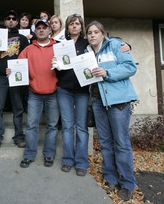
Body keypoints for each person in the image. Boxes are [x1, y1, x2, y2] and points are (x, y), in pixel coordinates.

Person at [52, 14, 132, 177]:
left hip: (82, 91)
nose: (74, 26)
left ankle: (81, 162)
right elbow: (54, 65)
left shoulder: (87, 43)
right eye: (71, 24)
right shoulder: (60, 45)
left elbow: (107, 42)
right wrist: (55, 64)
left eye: (77, 24)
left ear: (81, 27)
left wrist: (127, 45)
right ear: (66, 28)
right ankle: (68, 159)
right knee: (67, 126)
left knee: (81, 127)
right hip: (64, 90)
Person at [86, 20, 138, 201]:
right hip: (99, 103)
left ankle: (128, 184)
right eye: (89, 33)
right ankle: (110, 178)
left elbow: (131, 68)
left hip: (118, 103)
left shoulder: (116, 46)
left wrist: (108, 74)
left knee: (121, 143)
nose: (92, 35)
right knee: (105, 142)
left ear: (102, 34)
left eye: (95, 32)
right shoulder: (87, 53)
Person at [16, 19, 59, 168]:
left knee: (52, 126)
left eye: (44, 28)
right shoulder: (28, 49)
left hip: (53, 93)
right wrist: (11, 70)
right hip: (34, 93)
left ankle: (49, 154)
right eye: (38, 28)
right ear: (35, 31)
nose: (41, 30)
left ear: (49, 30)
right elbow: (18, 66)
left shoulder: (58, 47)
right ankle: (29, 155)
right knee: (31, 125)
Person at [0, 10, 29, 148]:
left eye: (14, 18)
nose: (11, 20)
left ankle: (19, 136)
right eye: (8, 18)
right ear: (5, 21)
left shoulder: (22, 39)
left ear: (17, 21)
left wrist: (17, 71)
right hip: (0, 76)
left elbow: (26, 59)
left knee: (18, 108)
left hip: (16, 77)